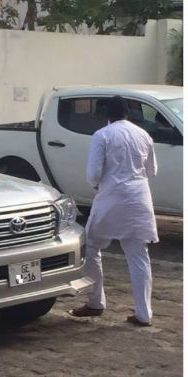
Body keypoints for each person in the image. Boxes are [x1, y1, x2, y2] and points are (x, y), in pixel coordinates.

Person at [71, 96, 158, 326]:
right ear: (128, 113)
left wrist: (99, 184)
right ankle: (144, 314)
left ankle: (96, 302)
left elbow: (93, 174)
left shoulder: (103, 135)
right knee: (139, 255)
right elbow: (152, 170)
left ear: (107, 114)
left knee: (91, 245)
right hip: (139, 199)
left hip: (111, 198)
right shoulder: (143, 135)